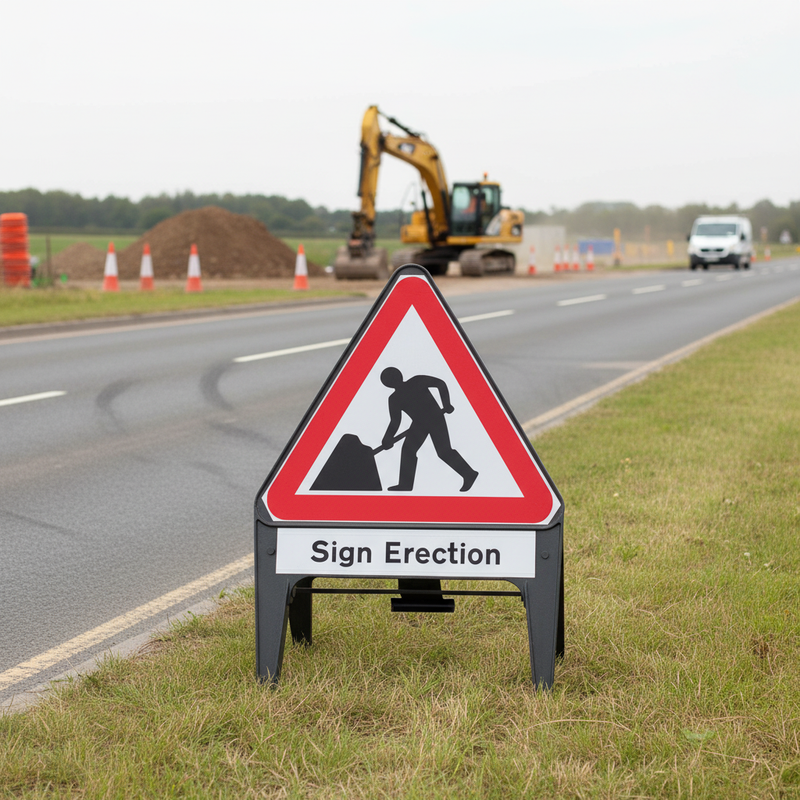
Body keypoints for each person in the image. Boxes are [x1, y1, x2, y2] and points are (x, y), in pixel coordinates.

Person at [380, 367, 478, 492]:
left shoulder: (416, 381)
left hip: (435, 418)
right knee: (408, 451)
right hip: (419, 424)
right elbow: (395, 421)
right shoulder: (395, 398)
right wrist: (387, 438)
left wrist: (446, 404)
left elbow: (440, 384)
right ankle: (405, 484)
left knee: (444, 451)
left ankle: (469, 474)